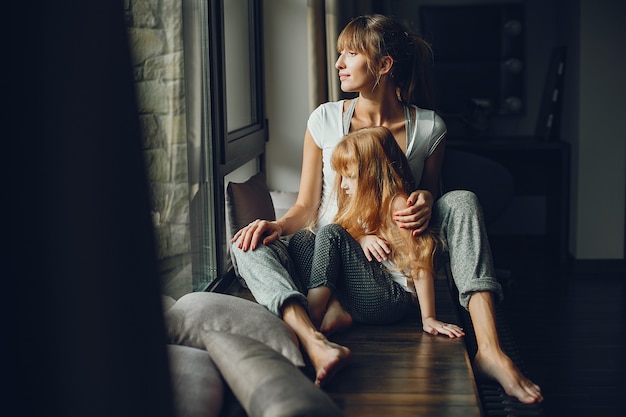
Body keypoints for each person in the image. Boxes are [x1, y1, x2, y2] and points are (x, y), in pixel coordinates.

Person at [231, 14, 543, 403]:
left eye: (350, 54)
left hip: (390, 266)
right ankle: (313, 338)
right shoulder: (325, 119)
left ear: (383, 64)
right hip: (330, 252)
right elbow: (307, 206)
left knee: (462, 201)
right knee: (245, 244)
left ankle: (491, 351)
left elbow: (430, 198)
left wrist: (427, 199)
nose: (339, 63)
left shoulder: (430, 128)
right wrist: (276, 225)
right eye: (338, 53)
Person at [288, 126, 465, 340]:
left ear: (372, 174)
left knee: (330, 233)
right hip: (364, 288)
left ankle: (312, 317)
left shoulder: (398, 205)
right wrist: (362, 239)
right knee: (302, 239)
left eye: (349, 176)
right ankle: (335, 309)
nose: (342, 185)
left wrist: (428, 318)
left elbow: (420, 261)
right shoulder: (360, 202)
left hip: (389, 299)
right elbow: (342, 245)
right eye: (340, 176)